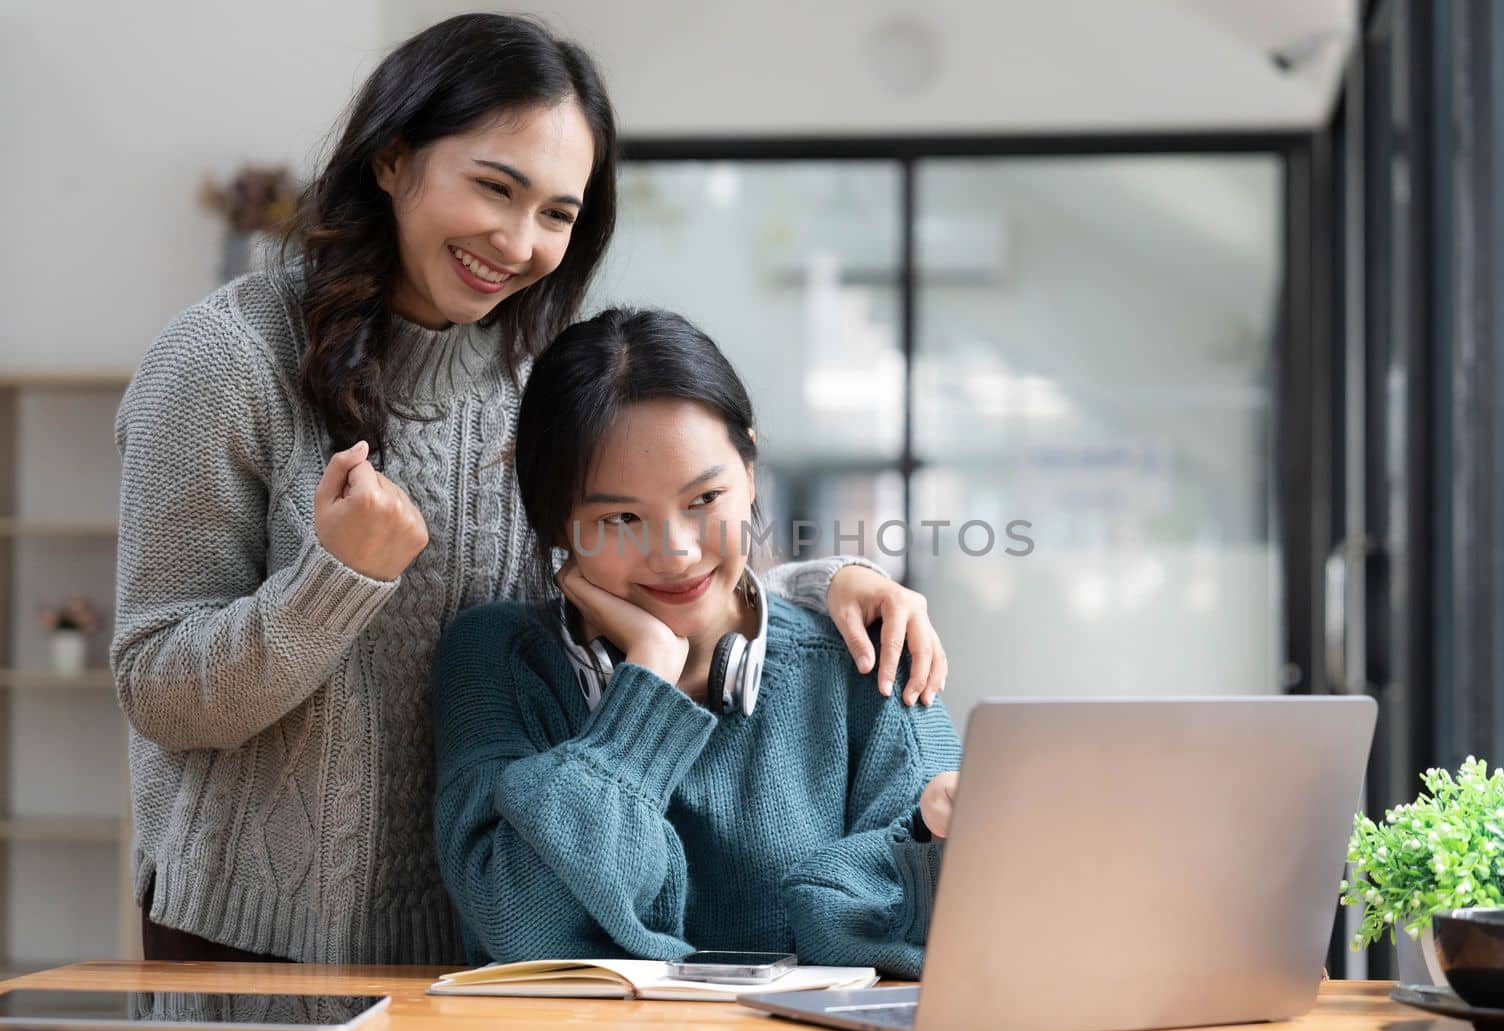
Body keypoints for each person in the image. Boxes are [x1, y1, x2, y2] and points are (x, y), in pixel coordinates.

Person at [113, 13, 947, 966]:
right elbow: (158, 688)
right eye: (495, 188)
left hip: (496, 934)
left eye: (558, 213)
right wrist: (333, 580)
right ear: (392, 158)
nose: (518, 242)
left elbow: (632, 553)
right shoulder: (222, 362)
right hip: (258, 936)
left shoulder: (541, 382)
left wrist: (818, 582)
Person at [432, 308, 963, 976]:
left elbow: (909, 932)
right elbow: (520, 925)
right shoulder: (501, 661)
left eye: (704, 497)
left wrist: (927, 844)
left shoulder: (867, 652)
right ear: (556, 521)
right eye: (620, 516)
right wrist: (645, 689)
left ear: (750, 468)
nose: (676, 553)